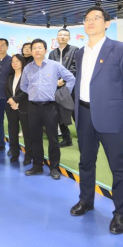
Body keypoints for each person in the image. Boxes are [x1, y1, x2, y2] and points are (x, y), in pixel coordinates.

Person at [70, 7, 123, 235]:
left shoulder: (122, 49)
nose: (90, 22)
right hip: (84, 115)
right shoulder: (80, 53)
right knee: (85, 162)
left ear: (107, 23)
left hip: (112, 117)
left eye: (96, 18)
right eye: (87, 19)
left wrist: (114, 105)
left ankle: (121, 213)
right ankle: (86, 200)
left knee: (119, 166)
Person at [21, 39, 75, 179]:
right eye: (34, 48)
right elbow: (23, 86)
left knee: (53, 139)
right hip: (33, 107)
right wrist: (34, 93)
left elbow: (71, 78)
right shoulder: (27, 68)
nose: (37, 50)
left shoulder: (54, 65)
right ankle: (37, 166)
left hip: (50, 107)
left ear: (45, 50)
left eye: (40, 48)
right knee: (35, 138)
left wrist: (63, 94)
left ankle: (54, 168)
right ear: (31, 51)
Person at [49, 28, 79, 147]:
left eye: (65, 35)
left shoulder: (74, 50)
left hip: (71, 87)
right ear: (57, 37)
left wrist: (63, 79)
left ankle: (82, 138)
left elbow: (75, 67)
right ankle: (67, 139)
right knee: (60, 112)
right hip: (57, 88)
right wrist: (56, 81)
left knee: (75, 113)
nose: (62, 37)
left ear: (69, 38)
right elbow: (50, 69)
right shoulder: (52, 53)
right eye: (60, 35)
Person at [5, 54, 33, 164]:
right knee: (12, 132)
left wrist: (15, 100)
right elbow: (6, 90)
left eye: (17, 61)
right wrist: (11, 101)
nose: (14, 63)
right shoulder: (9, 77)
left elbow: (26, 90)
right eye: (13, 61)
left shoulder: (27, 76)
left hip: (24, 107)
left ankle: (28, 156)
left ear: (22, 62)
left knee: (27, 133)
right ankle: (15, 153)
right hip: (11, 107)